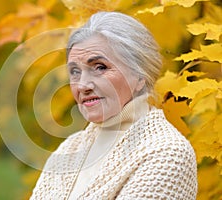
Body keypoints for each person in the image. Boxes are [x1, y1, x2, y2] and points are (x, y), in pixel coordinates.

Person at [30, 11, 197, 199]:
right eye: (75, 71)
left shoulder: (166, 152)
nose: (83, 85)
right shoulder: (68, 150)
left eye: (100, 67)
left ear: (139, 76)